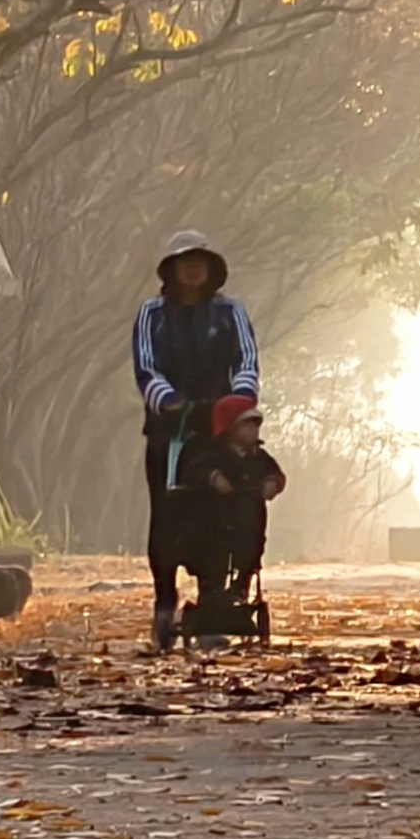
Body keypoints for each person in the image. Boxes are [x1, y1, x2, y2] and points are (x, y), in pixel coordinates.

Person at [133, 230, 259, 649]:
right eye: (184, 261)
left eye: (199, 260)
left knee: (219, 511)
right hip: (168, 430)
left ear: (210, 268)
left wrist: (235, 402)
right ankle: (165, 602)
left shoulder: (229, 312)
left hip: (217, 429)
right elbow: (146, 368)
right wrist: (168, 403)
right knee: (167, 513)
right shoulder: (152, 314)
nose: (192, 268)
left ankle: (212, 604)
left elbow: (247, 361)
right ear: (170, 269)